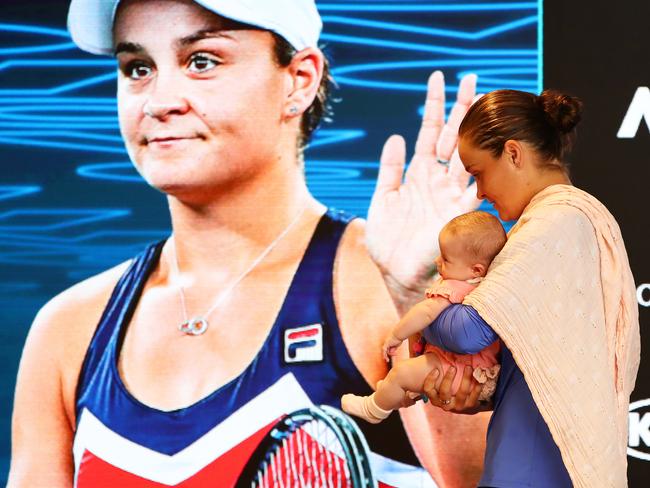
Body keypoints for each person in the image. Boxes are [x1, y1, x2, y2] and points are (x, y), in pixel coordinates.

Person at [8, 1, 489, 487]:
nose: (158, 101)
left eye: (202, 60)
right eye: (138, 68)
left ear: (299, 79)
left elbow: (488, 479)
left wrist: (427, 298)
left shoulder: (387, 287)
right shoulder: (68, 330)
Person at [418, 89, 640, 487]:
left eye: (478, 172)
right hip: (535, 454)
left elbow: (468, 331)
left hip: (534, 463)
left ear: (514, 154)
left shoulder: (554, 222)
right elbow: (532, 365)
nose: (480, 193)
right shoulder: (569, 218)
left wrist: (425, 309)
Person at [341, 211, 505, 424]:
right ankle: (404, 393)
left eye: (446, 259)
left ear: (476, 269)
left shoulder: (455, 287)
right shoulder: (486, 287)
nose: (438, 262)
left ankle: (374, 409)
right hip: (476, 371)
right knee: (409, 372)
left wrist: (396, 334)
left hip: (460, 370)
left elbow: (425, 312)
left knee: (400, 372)